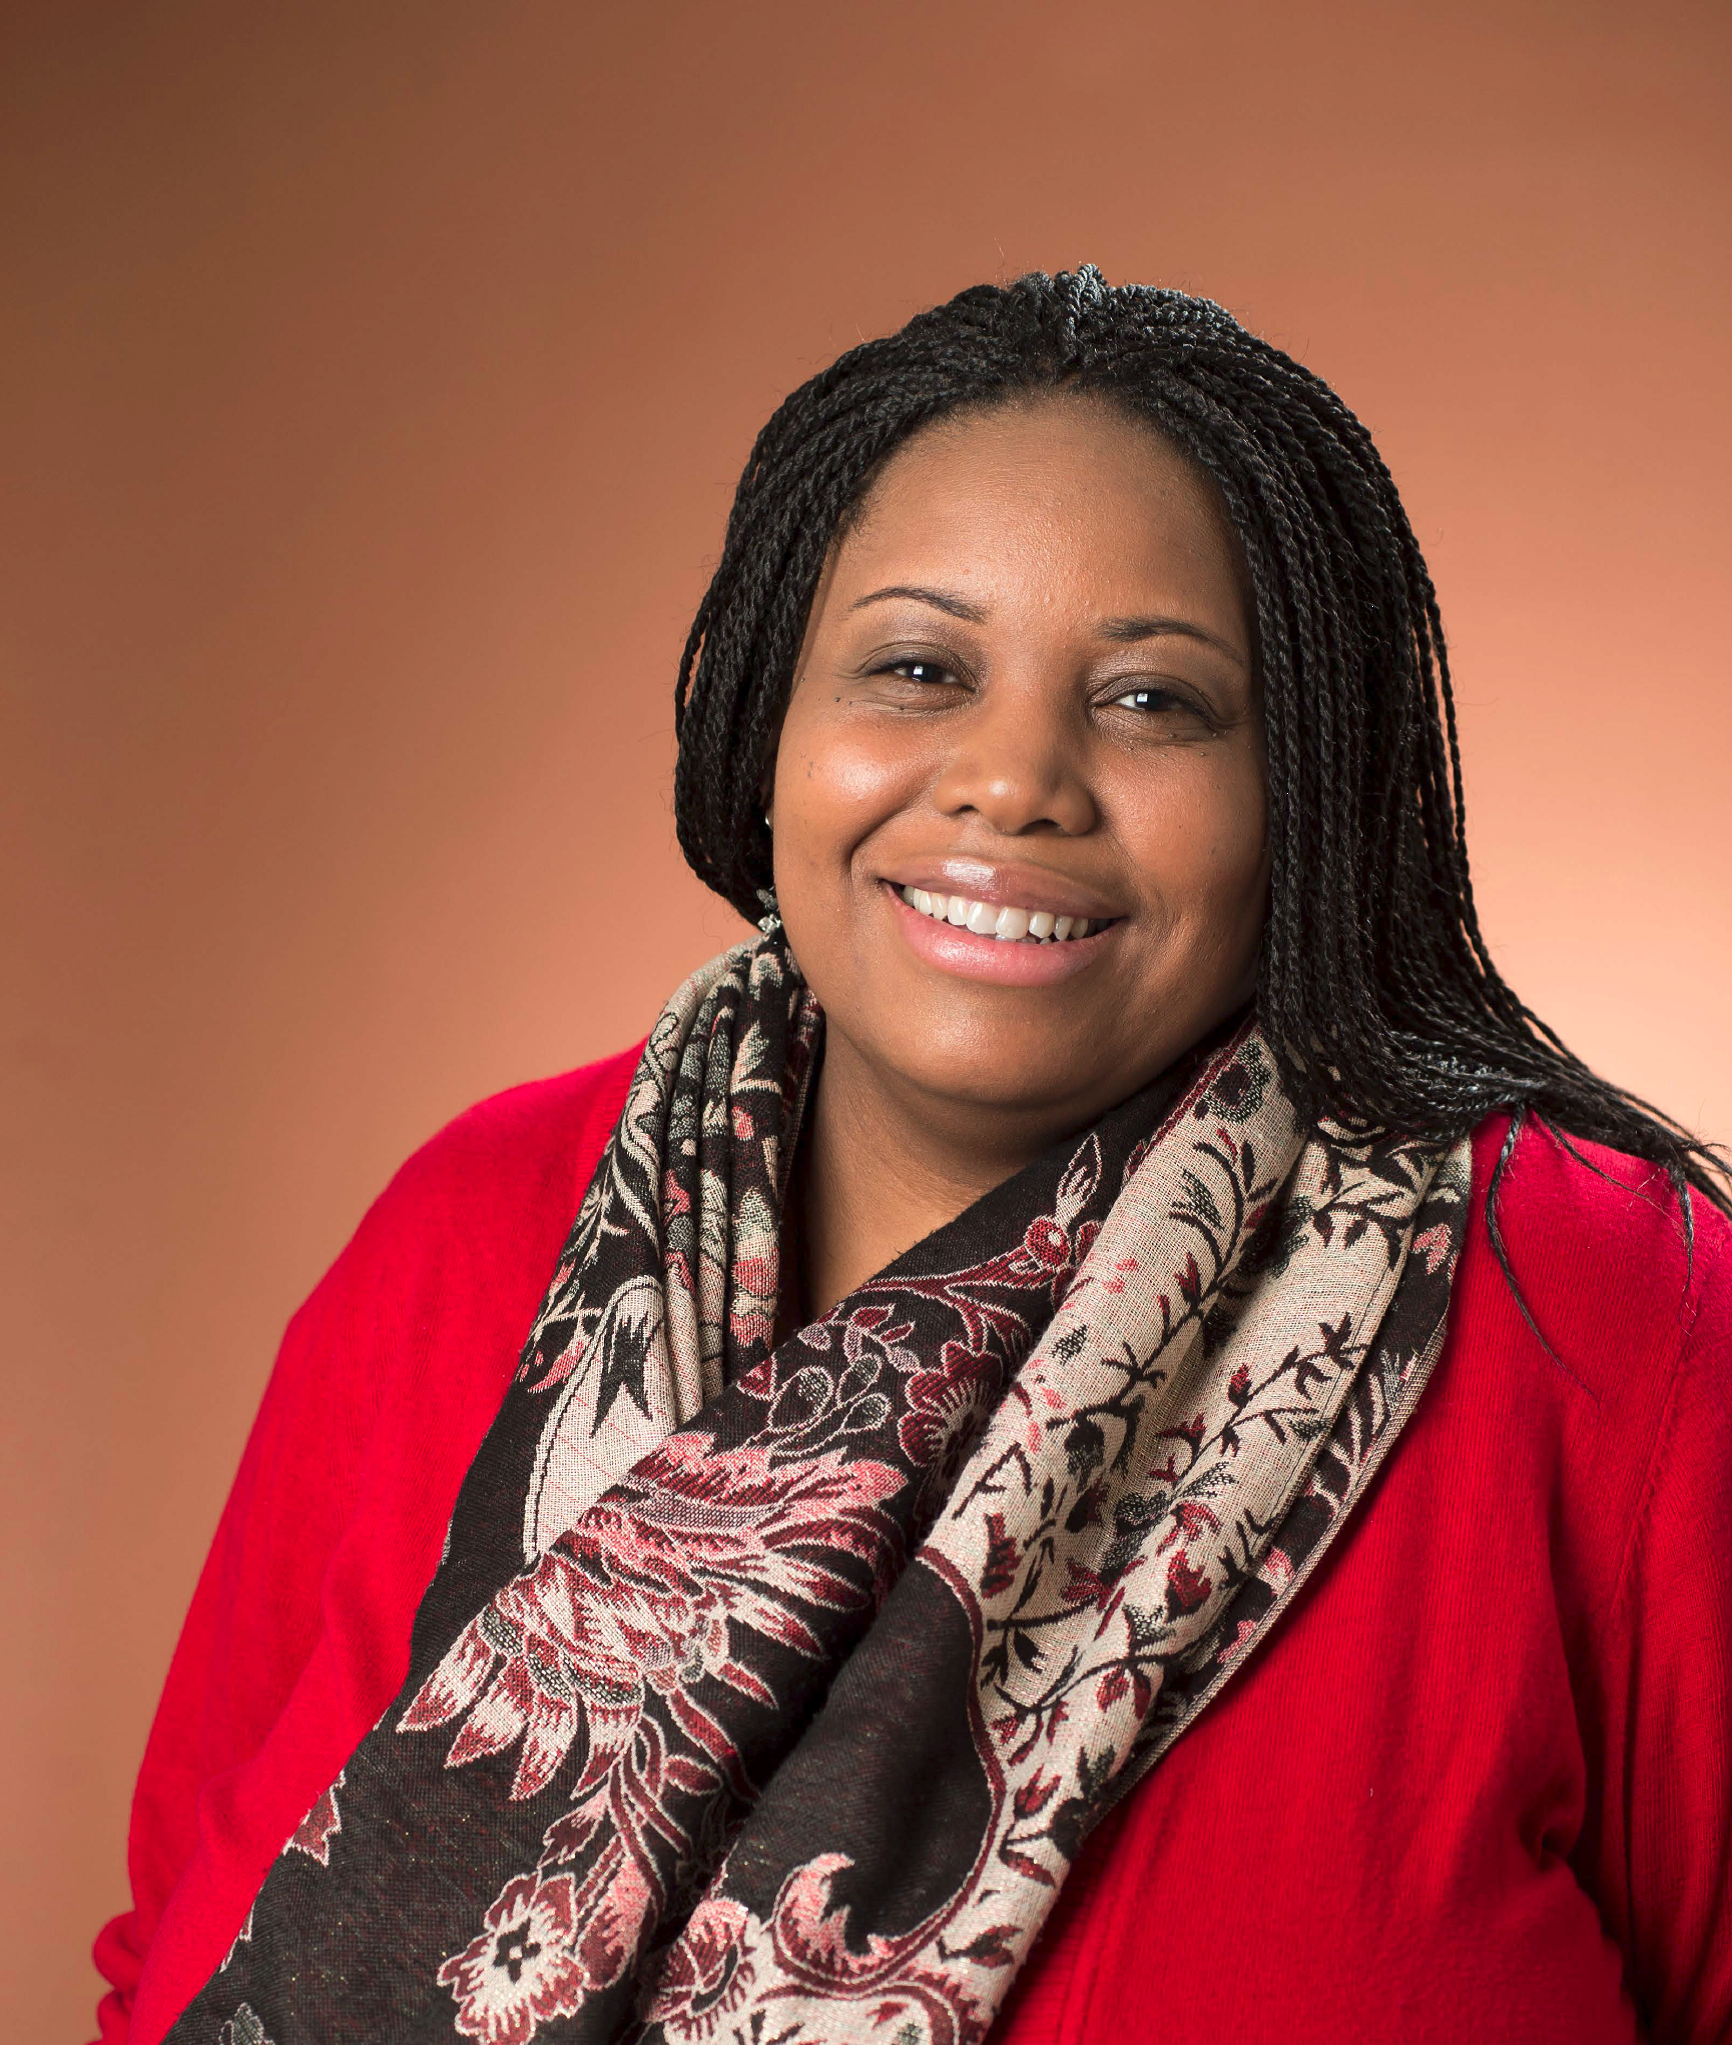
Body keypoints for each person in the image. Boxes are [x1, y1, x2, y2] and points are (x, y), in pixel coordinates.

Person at [94, 270, 1729, 2045]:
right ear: (775, 733)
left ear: (1312, 790)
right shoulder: (469, 1229)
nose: (1014, 780)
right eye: (920, 667)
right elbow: (172, 1957)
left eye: (1158, 701)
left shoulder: (1610, 1326)